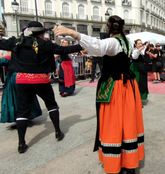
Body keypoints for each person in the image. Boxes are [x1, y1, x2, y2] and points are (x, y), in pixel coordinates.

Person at [54, 15, 144, 174]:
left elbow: (97, 46)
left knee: (113, 123)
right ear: (122, 28)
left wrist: (72, 32)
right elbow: (131, 56)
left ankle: (116, 162)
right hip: (128, 86)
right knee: (128, 122)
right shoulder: (127, 42)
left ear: (108, 28)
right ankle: (129, 162)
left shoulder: (113, 42)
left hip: (115, 87)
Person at [0, 21, 83, 153]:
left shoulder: (16, 42)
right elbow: (64, 50)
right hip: (41, 80)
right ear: (40, 33)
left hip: (22, 80)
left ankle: (21, 143)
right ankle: (58, 132)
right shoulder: (45, 44)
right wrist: (83, 45)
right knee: (51, 105)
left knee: (22, 111)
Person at [0, 51, 42, 124]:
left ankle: (20, 117)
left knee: (16, 98)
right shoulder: (26, 52)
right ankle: (28, 115)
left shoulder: (12, 53)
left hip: (15, 78)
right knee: (26, 97)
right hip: (25, 77)